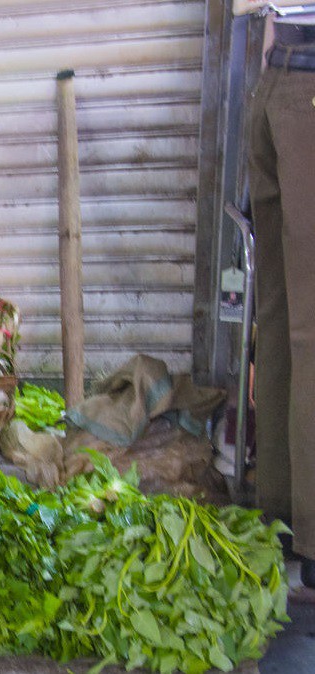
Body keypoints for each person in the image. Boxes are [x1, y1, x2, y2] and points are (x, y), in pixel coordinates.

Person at [238, 1, 315, 586]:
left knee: (294, 316)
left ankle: (290, 516)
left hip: (285, 79)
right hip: (294, 82)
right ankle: (300, 525)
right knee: (295, 319)